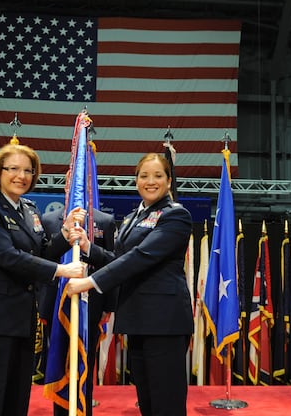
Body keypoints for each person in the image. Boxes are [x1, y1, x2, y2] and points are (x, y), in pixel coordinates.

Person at [0, 143, 86, 416]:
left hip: (21, 318)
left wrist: (65, 237)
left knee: (17, 396)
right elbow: (8, 257)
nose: (21, 176)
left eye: (28, 171)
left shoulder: (28, 209)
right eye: (13, 169)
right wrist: (60, 271)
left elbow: (40, 251)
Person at [65, 153, 193, 416]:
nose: (150, 181)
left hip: (164, 323)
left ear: (169, 181)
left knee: (166, 403)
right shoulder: (133, 217)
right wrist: (89, 248)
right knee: (147, 401)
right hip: (137, 320)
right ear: (136, 181)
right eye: (144, 176)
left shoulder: (176, 216)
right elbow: (119, 259)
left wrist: (90, 282)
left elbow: (140, 257)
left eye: (158, 176)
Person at [41, 204, 116, 416]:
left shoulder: (105, 220)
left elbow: (112, 264)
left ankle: (83, 407)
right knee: (57, 361)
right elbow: (42, 260)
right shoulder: (48, 219)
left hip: (90, 305)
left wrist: (109, 305)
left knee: (86, 362)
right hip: (56, 304)